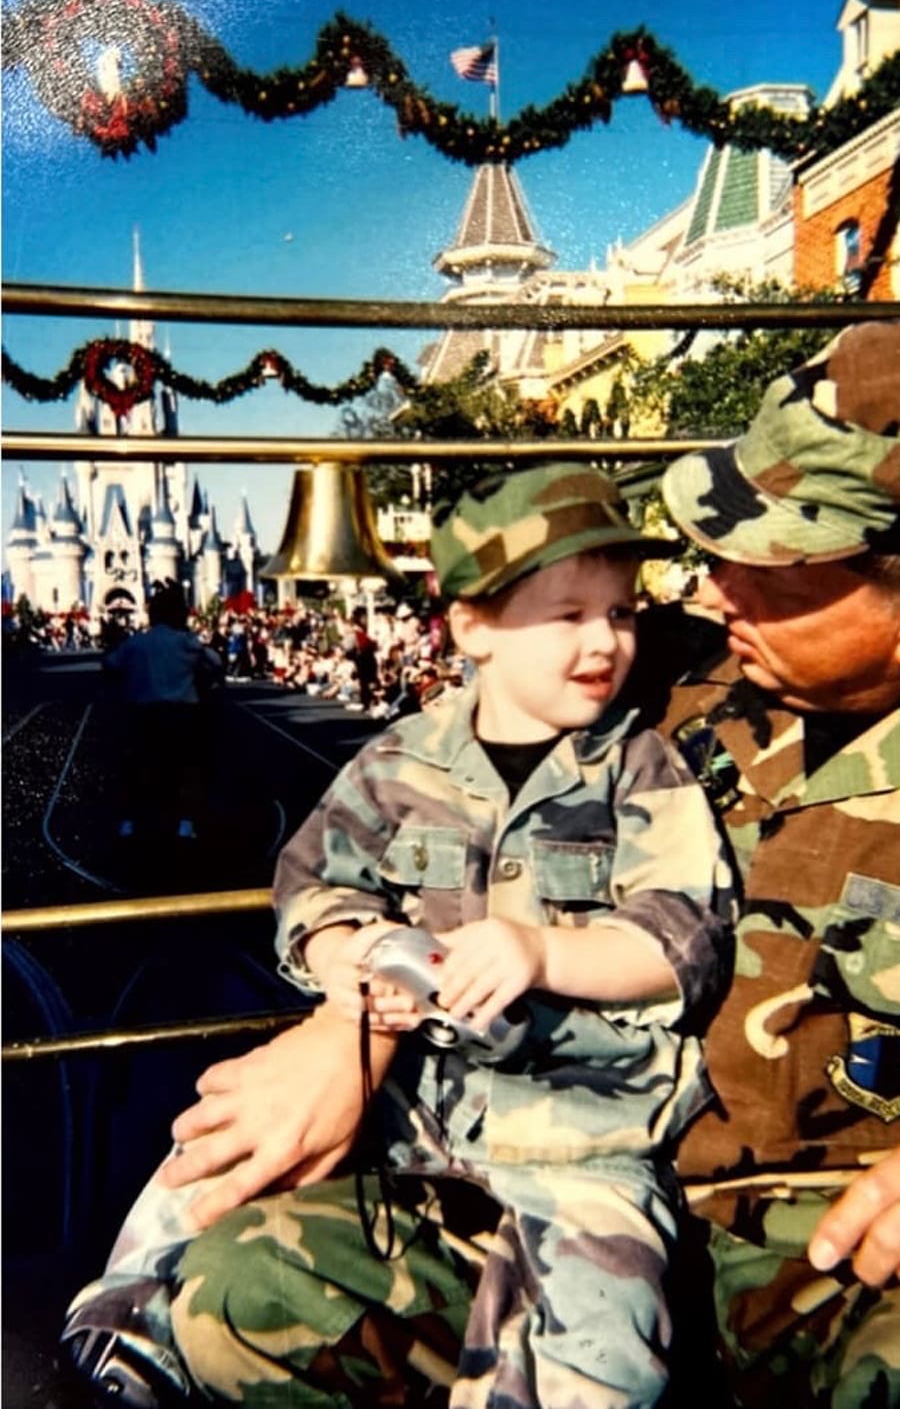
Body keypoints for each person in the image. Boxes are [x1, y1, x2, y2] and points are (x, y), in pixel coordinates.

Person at [65, 465, 734, 1408]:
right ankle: (129, 1318)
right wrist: (352, 959)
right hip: (415, 1097)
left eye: (622, 612)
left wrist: (541, 952)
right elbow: (311, 884)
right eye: (567, 614)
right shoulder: (398, 759)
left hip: (585, 1130)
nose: (605, 640)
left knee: (602, 1336)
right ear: (472, 629)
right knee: (223, 1142)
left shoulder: (641, 768)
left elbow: (680, 937)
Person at [647, 320, 900, 1406]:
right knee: (241, 1291)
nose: (717, 590)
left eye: (773, 563)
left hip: (843, 1259)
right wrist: (350, 1031)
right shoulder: (685, 692)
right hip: (615, 1195)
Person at [103, 580, 223, 840]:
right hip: (182, 714)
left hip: (144, 714)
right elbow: (214, 662)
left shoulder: (137, 644)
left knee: (138, 767)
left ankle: (130, 821)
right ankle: (186, 823)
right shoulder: (184, 642)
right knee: (187, 768)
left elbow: (110, 665)